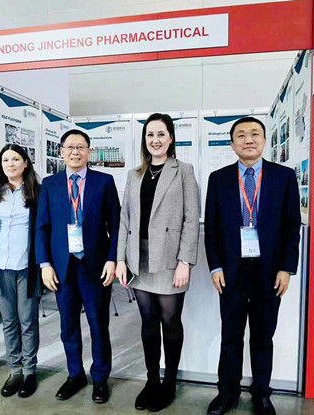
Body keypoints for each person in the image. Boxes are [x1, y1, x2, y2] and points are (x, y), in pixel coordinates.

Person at [204, 116, 301, 415]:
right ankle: (227, 393)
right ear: (232, 144)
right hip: (231, 272)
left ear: (264, 141)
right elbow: (212, 229)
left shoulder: (283, 177)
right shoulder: (218, 178)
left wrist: (286, 268)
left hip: (269, 272)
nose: (249, 139)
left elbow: (292, 226)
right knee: (230, 336)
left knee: (263, 336)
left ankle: (261, 394)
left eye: (255, 134)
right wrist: (215, 267)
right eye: (242, 135)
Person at [116, 113, 200, 412]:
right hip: (138, 258)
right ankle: (152, 380)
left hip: (169, 258)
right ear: (144, 140)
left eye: (161, 134)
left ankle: (170, 382)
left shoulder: (184, 171)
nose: (155, 140)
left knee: (170, 322)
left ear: (171, 138)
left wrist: (185, 261)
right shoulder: (134, 174)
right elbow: (125, 218)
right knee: (148, 322)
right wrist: (120, 259)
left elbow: (191, 219)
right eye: (150, 134)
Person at [35, 129, 120, 404]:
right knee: (68, 326)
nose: (75, 152)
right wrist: (44, 264)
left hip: (95, 266)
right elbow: (42, 226)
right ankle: (75, 374)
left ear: (89, 152)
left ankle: (100, 377)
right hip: (62, 268)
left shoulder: (104, 182)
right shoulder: (50, 184)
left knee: (98, 324)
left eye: (81, 147)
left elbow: (116, 225)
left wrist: (112, 259)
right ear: (61, 152)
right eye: (70, 147)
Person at [0, 144, 41, 398]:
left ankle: (29, 371)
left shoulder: (37, 192)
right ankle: (14, 370)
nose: (10, 164)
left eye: (15, 159)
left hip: (27, 267)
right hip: (1, 267)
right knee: (9, 322)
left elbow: (43, 229)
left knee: (28, 321)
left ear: (25, 163)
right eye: (5, 160)